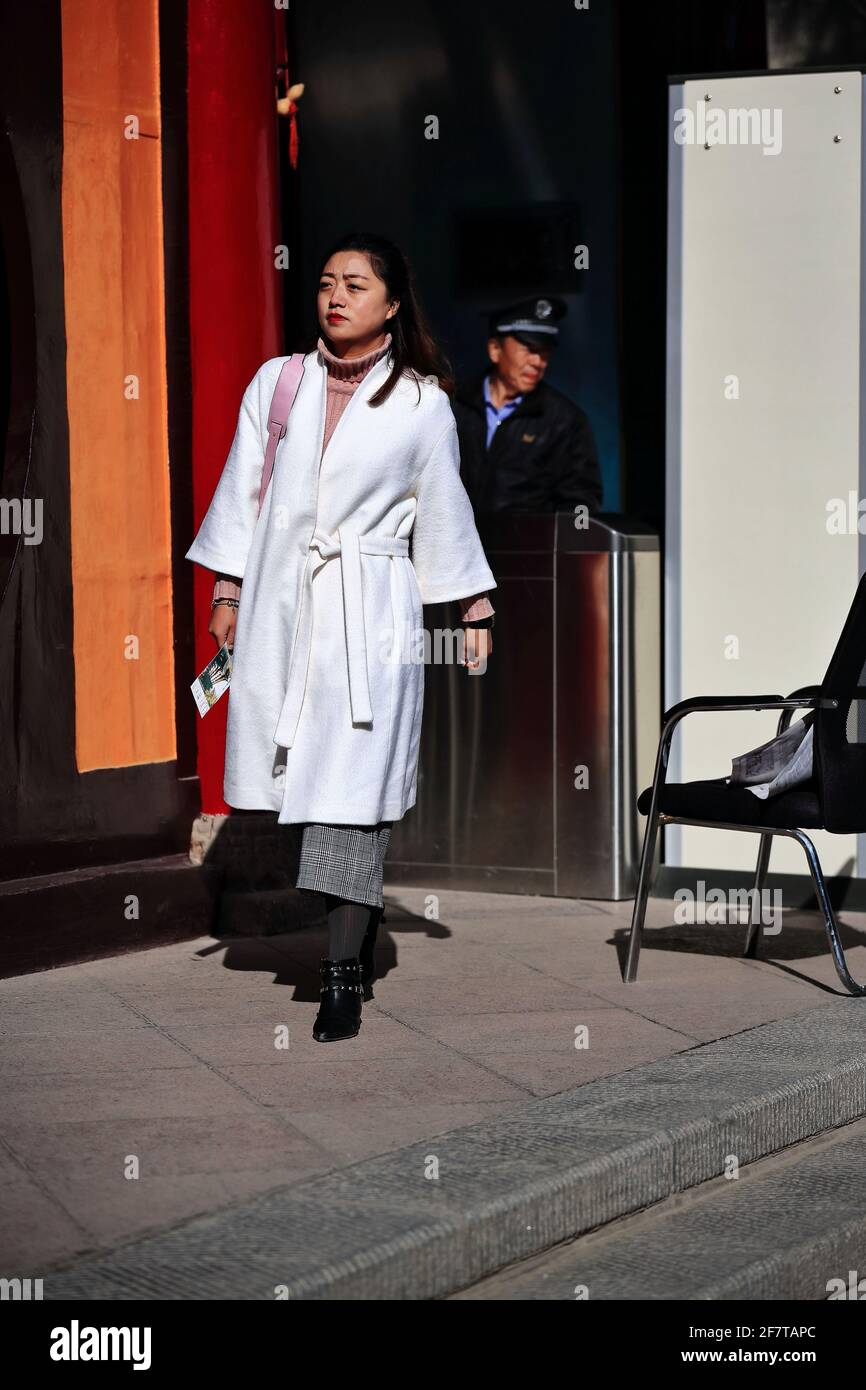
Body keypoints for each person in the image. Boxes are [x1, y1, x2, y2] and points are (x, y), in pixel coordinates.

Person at [186, 231, 497, 1043]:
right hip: (288, 610)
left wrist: (472, 607)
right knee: (308, 787)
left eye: (356, 285)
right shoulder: (277, 383)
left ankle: (340, 974)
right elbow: (242, 496)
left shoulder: (421, 402)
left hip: (374, 617)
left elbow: (444, 507)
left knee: (354, 797)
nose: (335, 296)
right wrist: (228, 589)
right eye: (326, 283)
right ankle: (345, 945)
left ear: (392, 303)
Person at [451, 296, 603, 516]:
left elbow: (579, 503)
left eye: (544, 351)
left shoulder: (565, 421)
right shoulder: (453, 404)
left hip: (525, 549)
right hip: (455, 548)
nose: (538, 361)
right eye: (529, 348)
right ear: (495, 349)